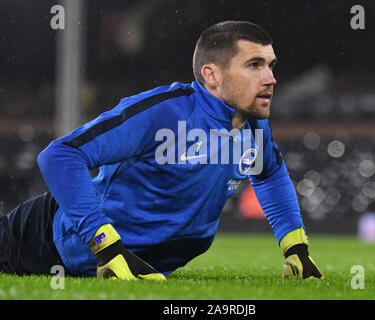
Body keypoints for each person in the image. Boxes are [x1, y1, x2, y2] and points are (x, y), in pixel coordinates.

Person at [0, 21, 323, 280]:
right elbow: (59, 155)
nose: (271, 78)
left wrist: (296, 248)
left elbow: (269, 173)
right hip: (41, 239)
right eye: (255, 65)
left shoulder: (253, 126)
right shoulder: (163, 113)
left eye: (270, 65)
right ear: (211, 75)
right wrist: (108, 249)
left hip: (140, 262)